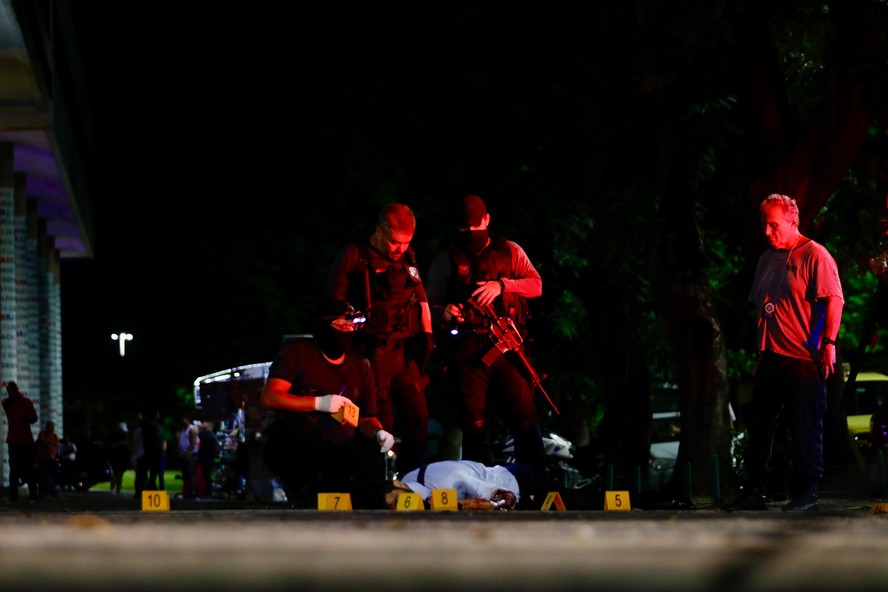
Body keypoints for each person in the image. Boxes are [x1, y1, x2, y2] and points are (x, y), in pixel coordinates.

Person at [723, 193, 844, 513]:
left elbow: (835, 300)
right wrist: (760, 354)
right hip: (772, 357)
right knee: (760, 424)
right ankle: (753, 491)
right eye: (764, 225)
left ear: (792, 222)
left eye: (773, 225)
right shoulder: (766, 259)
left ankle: (807, 493)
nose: (767, 231)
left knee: (806, 425)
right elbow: (764, 310)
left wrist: (829, 344)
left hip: (804, 358)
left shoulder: (815, 255)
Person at [425, 194, 546, 468]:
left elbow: (536, 285)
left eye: (475, 227)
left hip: (508, 346)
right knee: (474, 424)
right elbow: (428, 304)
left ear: (487, 220)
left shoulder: (510, 251)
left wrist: (502, 285)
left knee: (524, 415)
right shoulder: (448, 259)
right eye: (464, 230)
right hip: (468, 352)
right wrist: (443, 312)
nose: (471, 234)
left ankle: (537, 485)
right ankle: (477, 489)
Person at [325, 203, 435, 475]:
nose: (399, 249)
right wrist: (349, 319)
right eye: (395, 243)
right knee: (378, 423)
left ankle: (411, 479)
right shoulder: (353, 256)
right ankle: (373, 482)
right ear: (379, 232)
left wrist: (428, 335)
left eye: (405, 243)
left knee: (419, 417)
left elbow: (420, 297)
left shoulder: (408, 257)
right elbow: (332, 300)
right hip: (367, 354)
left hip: (401, 352)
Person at [260, 300, 395, 508]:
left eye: (352, 326)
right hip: (299, 444)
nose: (348, 331)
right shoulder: (298, 352)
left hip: (339, 451)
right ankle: (301, 491)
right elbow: (270, 397)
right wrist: (318, 403)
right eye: (342, 326)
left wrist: (379, 433)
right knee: (298, 430)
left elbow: (366, 417)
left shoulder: (361, 365)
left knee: (370, 460)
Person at [1, 381, 39, 502]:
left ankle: (33, 496)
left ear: (16, 390)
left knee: (30, 469)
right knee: (14, 470)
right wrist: (16, 396)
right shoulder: (8, 402)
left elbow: (35, 418)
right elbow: (6, 402)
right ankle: (13, 497)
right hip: (14, 440)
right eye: (8, 391)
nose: (9, 393)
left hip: (26, 440)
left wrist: (27, 420)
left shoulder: (26, 402)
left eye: (11, 390)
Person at [35, 420, 60, 498]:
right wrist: (49, 437)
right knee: (45, 475)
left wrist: (50, 441)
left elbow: (57, 445)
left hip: (51, 459)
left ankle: (49, 492)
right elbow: (43, 442)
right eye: (51, 427)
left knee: (48, 475)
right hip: (43, 458)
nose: (52, 429)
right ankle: (51, 492)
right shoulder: (42, 434)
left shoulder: (55, 436)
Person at [177, 415, 200, 499]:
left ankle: (192, 492)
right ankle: (186, 492)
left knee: (191, 474)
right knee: (185, 475)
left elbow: (193, 442)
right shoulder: (183, 429)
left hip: (189, 455)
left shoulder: (191, 429)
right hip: (183, 455)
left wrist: (189, 453)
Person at [107, 421, 132, 496]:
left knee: (120, 474)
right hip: (116, 458)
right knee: (116, 474)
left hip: (122, 458)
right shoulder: (113, 436)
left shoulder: (124, 436)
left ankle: (118, 490)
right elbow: (110, 446)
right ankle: (112, 489)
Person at [198, 421, 220, 498]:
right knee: (207, 477)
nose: (203, 424)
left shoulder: (204, 435)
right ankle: (208, 492)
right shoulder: (213, 436)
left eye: (205, 423)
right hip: (210, 458)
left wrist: (199, 428)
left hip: (205, 458)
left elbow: (199, 435)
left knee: (206, 477)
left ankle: (207, 493)